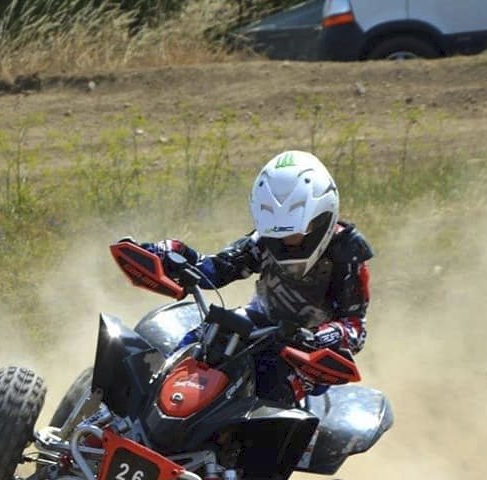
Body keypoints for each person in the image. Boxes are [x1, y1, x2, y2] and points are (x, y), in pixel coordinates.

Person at [135, 149, 373, 407]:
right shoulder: (264, 241)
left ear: (321, 218)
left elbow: (356, 326)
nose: (284, 244)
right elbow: (218, 269)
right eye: (276, 236)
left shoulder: (348, 253)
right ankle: (145, 410)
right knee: (198, 342)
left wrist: (322, 336)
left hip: (307, 352)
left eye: (294, 235)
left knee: (274, 392)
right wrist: (175, 255)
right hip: (258, 323)